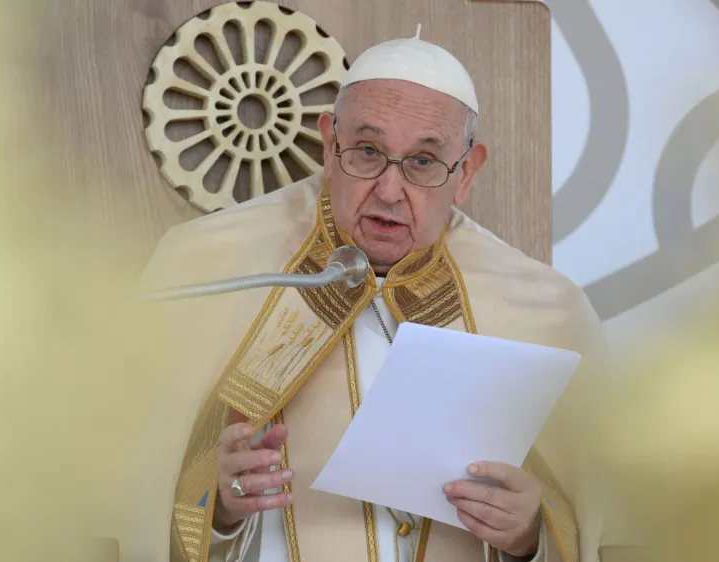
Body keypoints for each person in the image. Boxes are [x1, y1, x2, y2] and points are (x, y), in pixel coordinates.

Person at [136, 27, 608, 562]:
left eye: (424, 162)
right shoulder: (207, 269)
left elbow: (590, 521)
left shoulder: (545, 309)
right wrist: (216, 507)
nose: (388, 189)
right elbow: (133, 493)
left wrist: (530, 538)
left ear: (467, 171)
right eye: (367, 151)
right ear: (328, 145)